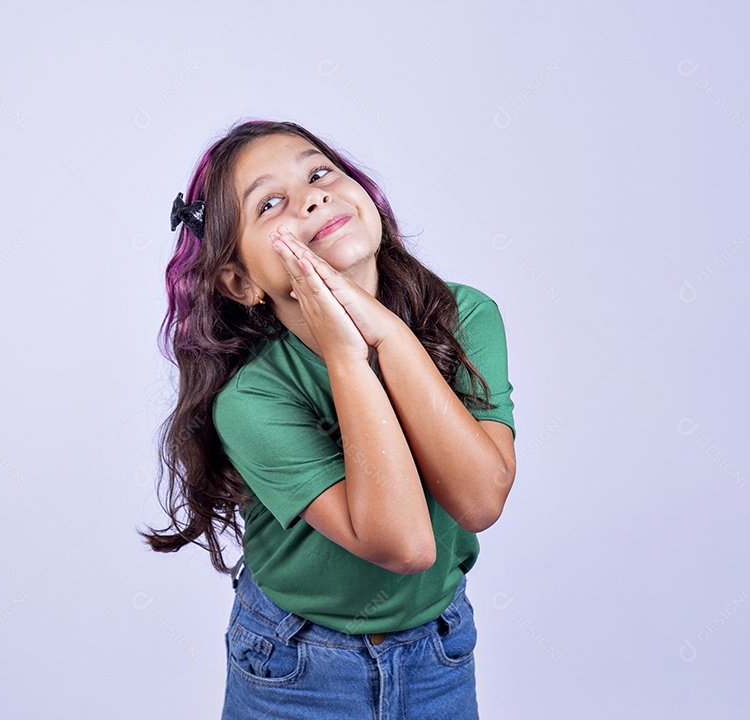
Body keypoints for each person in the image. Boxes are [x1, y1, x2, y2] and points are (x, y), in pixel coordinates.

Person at [139, 119, 517, 719]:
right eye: (271, 203)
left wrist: (387, 334)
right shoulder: (251, 400)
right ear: (240, 282)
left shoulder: (465, 315)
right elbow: (406, 544)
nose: (312, 197)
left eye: (319, 174)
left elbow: (479, 502)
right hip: (296, 662)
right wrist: (346, 353)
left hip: (437, 649)